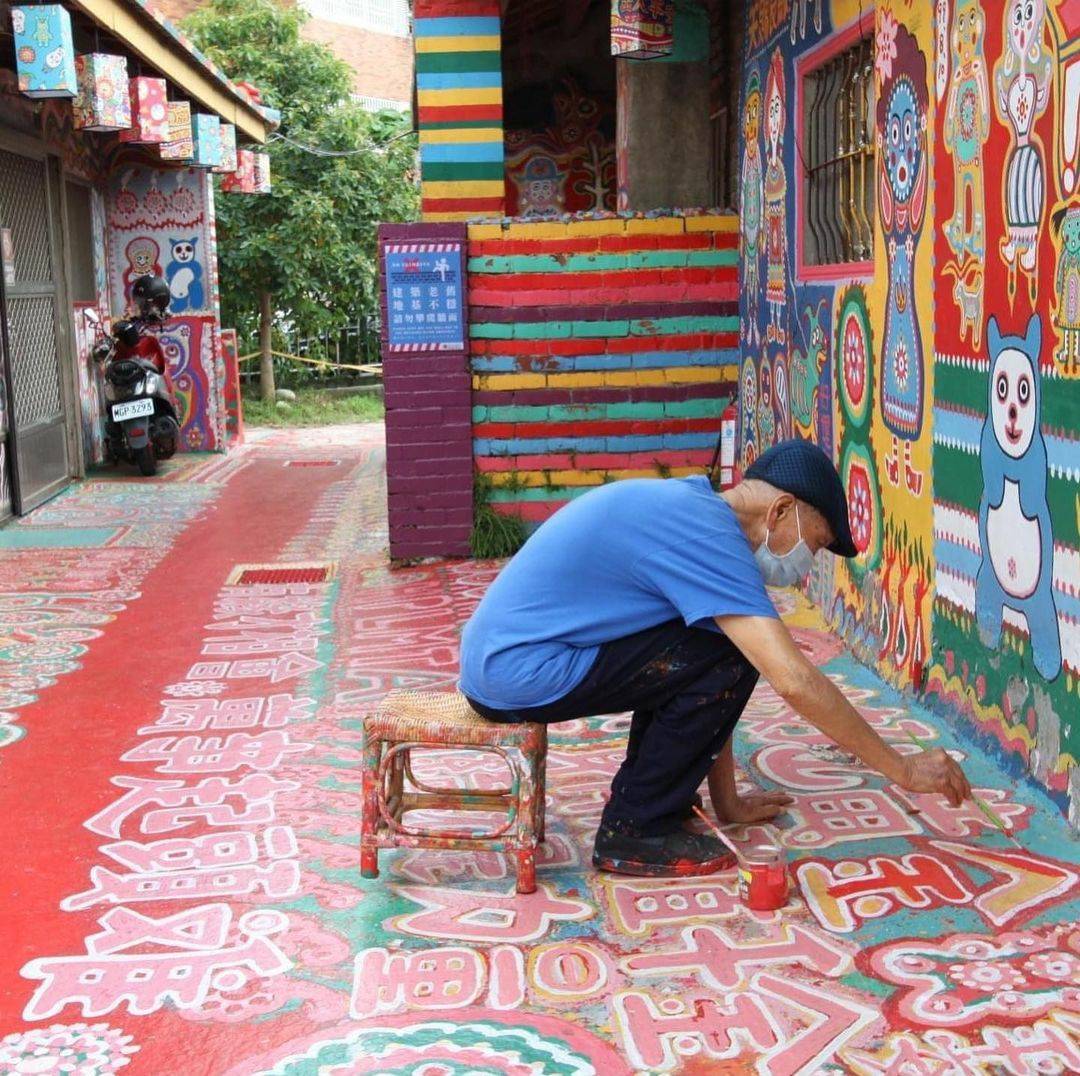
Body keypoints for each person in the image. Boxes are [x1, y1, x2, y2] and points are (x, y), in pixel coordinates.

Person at [459, 438, 972, 877]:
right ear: (780, 511)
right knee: (732, 651)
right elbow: (792, 679)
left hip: (506, 661)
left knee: (717, 647)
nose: (807, 564)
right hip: (518, 672)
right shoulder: (708, 535)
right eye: (814, 543)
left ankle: (653, 803)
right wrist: (901, 769)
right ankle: (636, 827)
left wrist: (728, 802)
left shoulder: (693, 511)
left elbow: (700, 675)